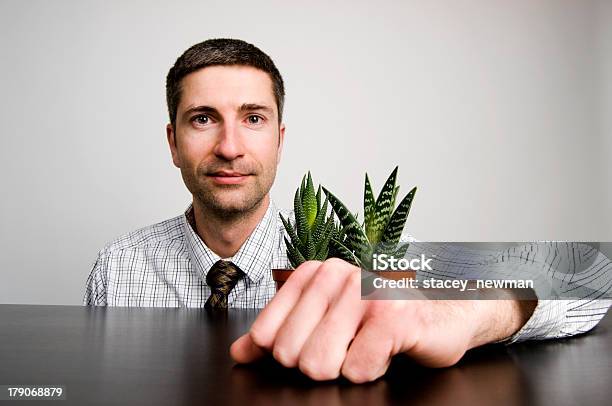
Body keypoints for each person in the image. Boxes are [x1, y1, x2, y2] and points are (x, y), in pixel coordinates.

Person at [84, 38, 610, 383]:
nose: (229, 146)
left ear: (279, 139)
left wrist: (453, 313)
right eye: (203, 119)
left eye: (253, 118)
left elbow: (588, 278)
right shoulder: (117, 266)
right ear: (173, 143)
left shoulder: (356, 263)